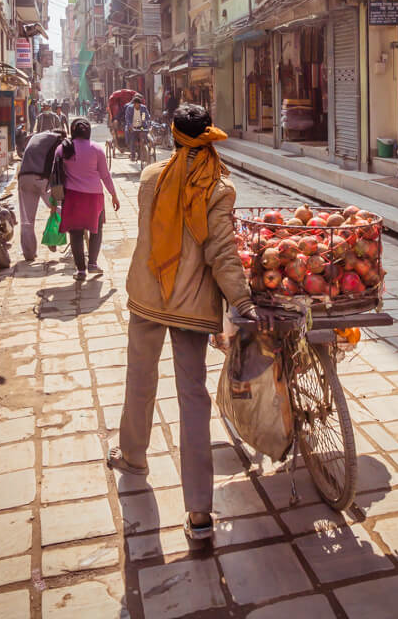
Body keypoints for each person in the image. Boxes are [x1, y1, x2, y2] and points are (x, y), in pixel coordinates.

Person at [107, 104, 269, 541]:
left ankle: (133, 457)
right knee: (192, 397)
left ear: (174, 137)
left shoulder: (150, 178)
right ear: (207, 134)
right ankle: (200, 512)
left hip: (147, 294)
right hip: (192, 306)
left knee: (139, 378)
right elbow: (221, 253)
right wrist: (242, 301)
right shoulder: (218, 186)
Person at [55, 118, 119, 281]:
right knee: (96, 230)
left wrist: (54, 200)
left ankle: (81, 270)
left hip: (72, 197)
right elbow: (105, 175)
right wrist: (114, 195)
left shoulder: (62, 149)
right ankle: (93, 263)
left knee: (75, 233)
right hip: (94, 196)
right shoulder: (97, 149)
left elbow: (55, 175)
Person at [18, 128, 65, 261]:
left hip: (24, 178)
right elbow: (59, 167)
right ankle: (51, 235)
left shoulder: (37, 137)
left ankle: (29, 254)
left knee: (27, 220)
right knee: (60, 208)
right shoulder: (58, 141)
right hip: (41, 178)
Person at [125, 93, 150, 161]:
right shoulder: (129, 108)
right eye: (135, 104)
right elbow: (128, 118)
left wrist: (146, 123)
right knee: (133, 139)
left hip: (141, 126)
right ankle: (133, 155)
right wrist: (130, 126)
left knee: (144, 136)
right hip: (133, 127)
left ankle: (144, 150)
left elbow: (145, 117)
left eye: (138, 104)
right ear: (133, 104)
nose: (137, 106)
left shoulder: (143, 108)